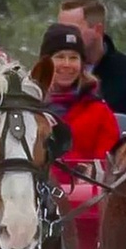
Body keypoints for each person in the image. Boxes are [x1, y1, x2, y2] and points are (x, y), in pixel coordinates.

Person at [56, 0, 126, 116]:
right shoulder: (49, 73)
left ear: (98, 29)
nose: (65, 37)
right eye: (60, 30)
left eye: (72, 30)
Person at [35, 22, 119, 168]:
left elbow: (108, 163)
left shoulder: (100, 112)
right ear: (45, 63)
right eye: (60, 57)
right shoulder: (29, 108)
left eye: (73, 58)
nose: (67, 64)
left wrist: (92, 172)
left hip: (83, 182)